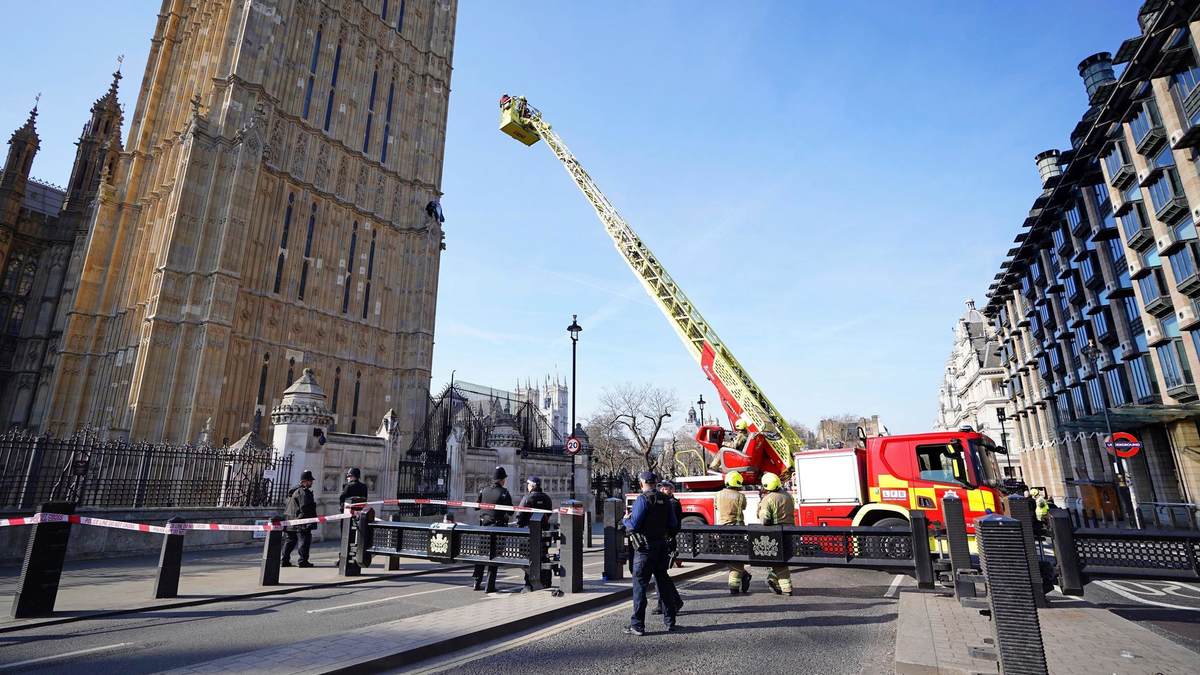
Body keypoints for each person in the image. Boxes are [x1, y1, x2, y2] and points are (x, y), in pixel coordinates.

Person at [622, 471, 679, 636]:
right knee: (663, 584)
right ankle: (670, 621)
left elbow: (633, 524)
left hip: (645, 548)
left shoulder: (643, 499)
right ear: (656, 483)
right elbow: (673, 523)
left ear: (641, 484)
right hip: (661, 546)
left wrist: (625, 518)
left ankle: (637, 625)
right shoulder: (666, 500)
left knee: (640, 586)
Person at [472, 467, 513, 592]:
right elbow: (511, 512)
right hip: (498, 528)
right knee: (494, 556)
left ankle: (476, 582)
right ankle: (489, 586)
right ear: (502, 480)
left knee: (482, 555)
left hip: (484, 527)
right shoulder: (504, 492)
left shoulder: (483, 490)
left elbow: (476, 507)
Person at [757, 472, 795, 596]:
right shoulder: (788, 496)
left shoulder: (768, 499)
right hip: (791, 533)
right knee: (781, 559)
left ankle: (786, 588)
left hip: (777, 534)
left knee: (778, 561)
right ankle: (772, 579)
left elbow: (765, 520)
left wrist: (759, 509)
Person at [651, 479, 686, 616]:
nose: (663, 490)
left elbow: (671, 525)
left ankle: (674, 601)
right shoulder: (665, 502)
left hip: (667, 541)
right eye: (662, 488)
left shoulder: (673, 504)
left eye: (666, 488)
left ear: (672, 490)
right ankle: (665, 603)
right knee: (660, 574)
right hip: (662, 540)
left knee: (661, 574)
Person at [515, 476, 553, 591]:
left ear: (531, 486)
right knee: (544, 555)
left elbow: (519, 516)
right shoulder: (546, 498)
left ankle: (528, 584)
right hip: (544, 532)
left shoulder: (527, 498)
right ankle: (546, 582)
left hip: (529, 532)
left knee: (529, 558)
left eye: (527, 485)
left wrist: (520, 525)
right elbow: (549, 513)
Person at [717, 470, 750, 594]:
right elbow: (744, 507)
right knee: (737, 556)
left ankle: (740, 579)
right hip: (737, 531)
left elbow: (717, 507)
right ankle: (741, 577)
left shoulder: (718, 494)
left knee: (729, 557)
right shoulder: (741, 497)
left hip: (722, 531)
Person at [281, 470, 317, 568]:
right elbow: (304, 507)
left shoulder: (296, 491)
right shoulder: (303, 492)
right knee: (304, 541)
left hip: (291, 520)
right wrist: (306, 522)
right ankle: (303, 561)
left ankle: (284, 560)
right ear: (305, 481)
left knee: (290, 540)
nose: (312, 482)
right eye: (310, 481)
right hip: (301, 521)